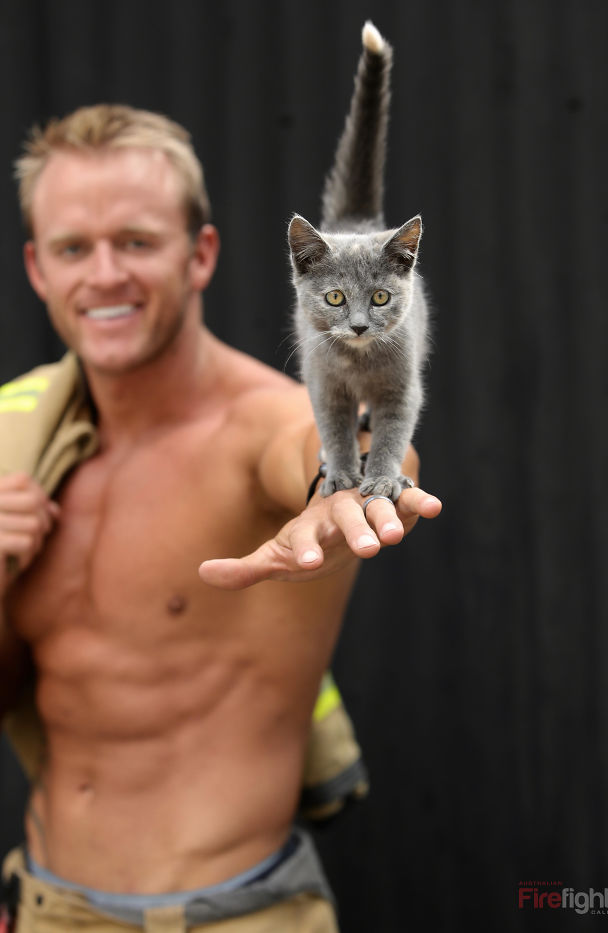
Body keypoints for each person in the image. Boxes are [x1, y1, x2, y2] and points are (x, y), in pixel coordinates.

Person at [0, 104, 441, 932]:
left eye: (136, 241)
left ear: (200, 254)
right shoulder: (17, 443)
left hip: (230, 918)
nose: (105, 274)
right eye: (73, 247)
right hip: (41, 907)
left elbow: (323, 447)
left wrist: (348, 491)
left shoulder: (258, 425)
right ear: (37, 267)